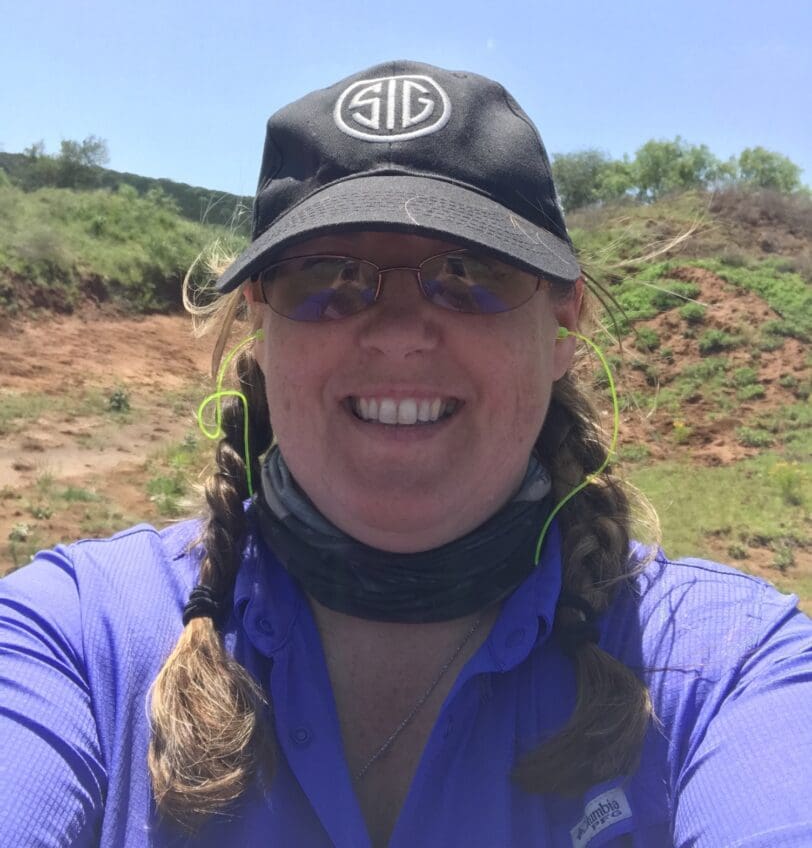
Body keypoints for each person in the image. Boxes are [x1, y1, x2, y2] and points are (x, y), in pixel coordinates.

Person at [0, 60, 810, 848]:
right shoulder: (75, 639)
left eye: (468, 273)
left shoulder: (718, 669)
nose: (395, 334)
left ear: (564, 322)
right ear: (258, 316)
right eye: (325, 274)